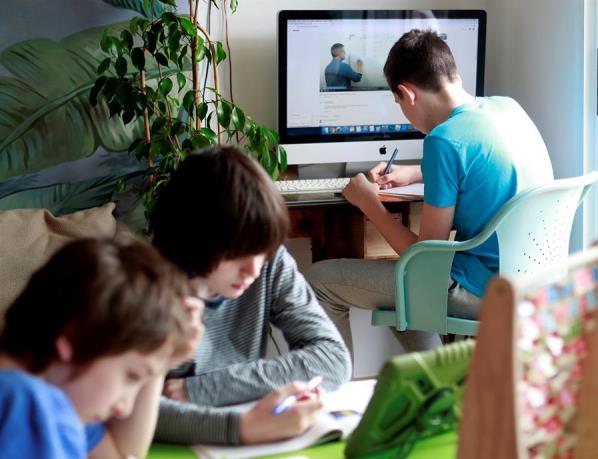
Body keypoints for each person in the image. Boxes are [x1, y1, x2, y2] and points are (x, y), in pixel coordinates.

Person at [307, 29, 554, 356]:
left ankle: (331, 395)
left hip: (480, 291)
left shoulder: (442, 140)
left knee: (320, 280)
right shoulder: (506, 109)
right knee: (395, 285)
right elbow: (484, 161)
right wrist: (416, 171)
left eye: (398, 104)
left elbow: (423, 262)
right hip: (532, 284)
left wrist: (369, 204)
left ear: (407, 94)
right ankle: (430, 381)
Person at [150, 146, 352, 445]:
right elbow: (128, 409)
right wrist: (244, 427)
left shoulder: (270, 262)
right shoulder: (143, 288)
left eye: (262, 252)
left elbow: (333, 360)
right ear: (195, 237)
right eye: (238, 254)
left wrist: (203, 390)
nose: (254, 270)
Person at [0, 237, 201, 459]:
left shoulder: (60, 396)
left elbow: (121, 454)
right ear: (76, 337)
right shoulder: (25, 402)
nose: (123, 408)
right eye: (131, 376)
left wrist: (161, 361)